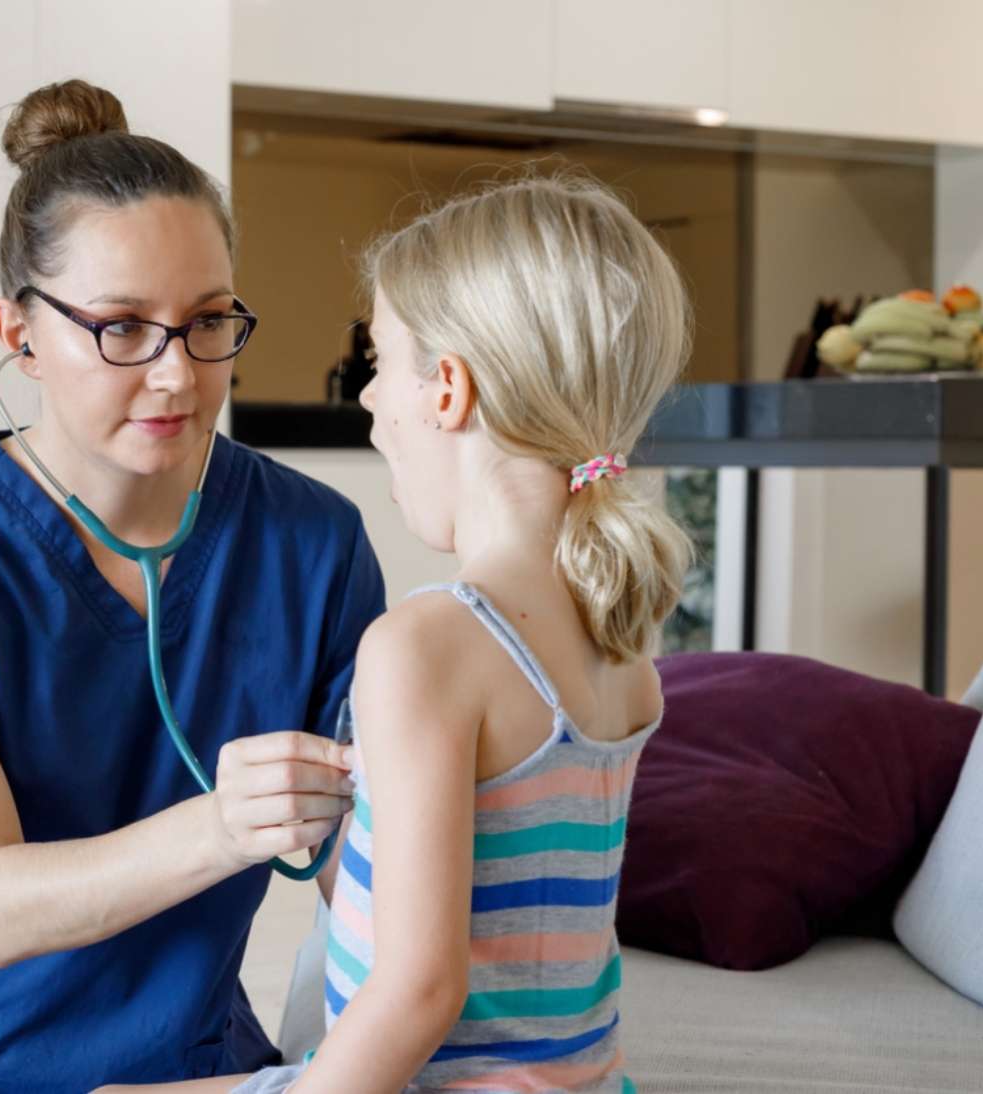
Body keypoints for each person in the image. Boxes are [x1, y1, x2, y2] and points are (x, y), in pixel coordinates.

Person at [0, 79, 387, 1092]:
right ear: (18, 331)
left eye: (207, 321)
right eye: (121, 327)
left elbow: (362, 870)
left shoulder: (312, 542)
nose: (178, 375)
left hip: (170, 1061)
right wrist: (227, 823)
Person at [114, 174, 692, 1093]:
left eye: (380, 362)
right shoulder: (616, 636)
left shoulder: (427, 646)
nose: (371, 403)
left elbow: (419, 991)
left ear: (448, 389)